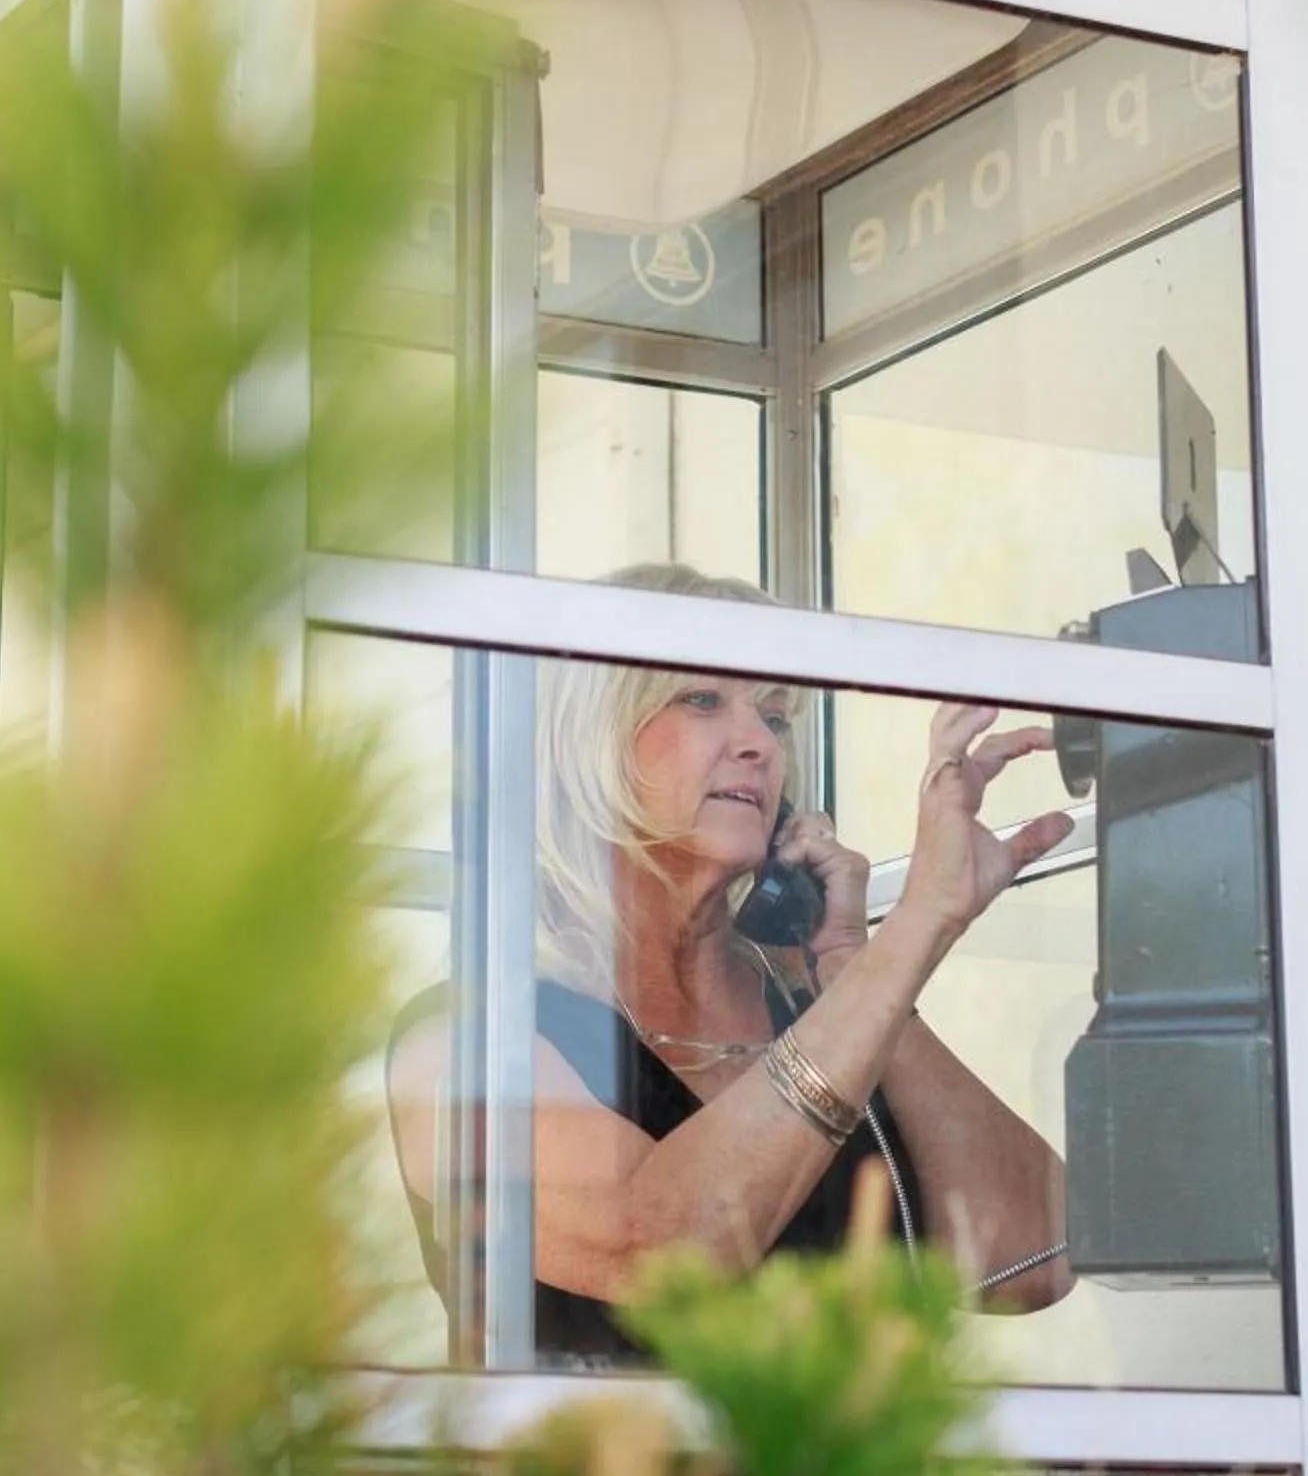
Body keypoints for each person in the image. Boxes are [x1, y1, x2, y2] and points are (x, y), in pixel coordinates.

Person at [385, 565, 1075, 1363]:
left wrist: (853, 965)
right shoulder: (465, 1040)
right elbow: (658, 1250)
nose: (756, 744)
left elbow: (1035, 1258)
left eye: (775, 718)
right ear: (588, 738)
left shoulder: (824, 1003)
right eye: (703, 700)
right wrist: (917, 922)